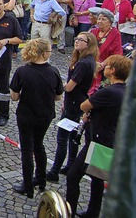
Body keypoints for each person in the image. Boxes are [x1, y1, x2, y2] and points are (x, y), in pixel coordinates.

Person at [66, 55, 131, 217]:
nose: (104, 68)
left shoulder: (108, 92)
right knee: (97, 179)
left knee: (73, 176)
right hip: (111, 139)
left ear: (113, 71)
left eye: (107, 66)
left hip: (97, 141)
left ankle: (69, 211)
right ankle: (92, 212)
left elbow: (84, 105)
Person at [9, 39, 63, 198]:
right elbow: (58, 97)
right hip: (45, 115)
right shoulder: (54, 71)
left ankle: (27, 186)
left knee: (27, 150)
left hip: (26, 114)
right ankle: (41, 179)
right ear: (45, 53)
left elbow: (14, 96)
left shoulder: (22, 71)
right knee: (39, 145)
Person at [47, 32, 98, 183]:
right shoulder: (85, 60)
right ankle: (70, 164)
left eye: (81, 40)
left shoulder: (83, 63)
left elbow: (69, 87)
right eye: (76, 39)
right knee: (72, 137)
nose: (77, 41)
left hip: (75, 103)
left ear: (88, 44)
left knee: (62, 137)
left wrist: (58, 86)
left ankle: (55, 170)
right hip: (75, 102)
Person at [89, 9, 123, 95]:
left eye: (103, 19)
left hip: (106, 67)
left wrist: (102, 64)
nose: (100, 21)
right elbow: (87, 49)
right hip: (91, 64)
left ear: (110, 22)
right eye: (99, 19)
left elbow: (117, 53)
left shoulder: (115, 34)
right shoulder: (93, 32)